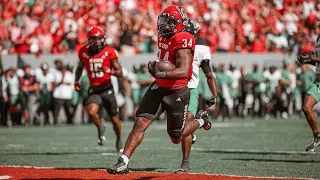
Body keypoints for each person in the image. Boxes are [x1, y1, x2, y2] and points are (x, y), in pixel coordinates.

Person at [108, 6, 211, 175]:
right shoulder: (165, 35)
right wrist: (155, 67)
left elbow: (184, 71)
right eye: (163, 21)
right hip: (159, 86)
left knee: (176, 136)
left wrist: (159, 72)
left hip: (177, 91)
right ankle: (123, 162)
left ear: (178, 23)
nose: (164, 25)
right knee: (140, 122)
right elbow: (164, 59)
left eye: (169, 22)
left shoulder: (183, 38)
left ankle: (201, 121)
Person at [175, 18, 218, 173]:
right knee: (176, 132)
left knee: (185, 123)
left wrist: (214, 94)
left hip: (190, 89)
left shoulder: (200, 49)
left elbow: (208, 75)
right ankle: (199, 123)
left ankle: (185, 163)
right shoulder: (173, 45)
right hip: (173, 89)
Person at [74, 26, 123, 152]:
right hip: (94, 88)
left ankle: (119, 139)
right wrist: (76, 80)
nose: (96, 42)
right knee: (91, 111)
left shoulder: (110, 51)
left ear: (103, 39)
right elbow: (80, 67)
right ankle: (100, 127)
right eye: (94, 39)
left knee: (115, 119)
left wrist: (109, 71)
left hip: (108, 89)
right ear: (89, 40)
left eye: (98, 39)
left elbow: (120, 73)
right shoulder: (83, 52)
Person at [297, 36, 320, 152]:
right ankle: (317, 137)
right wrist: (307, 60)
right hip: (318, 79)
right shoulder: (317, 40)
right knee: (306, 108)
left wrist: (311, 58)